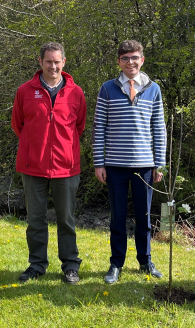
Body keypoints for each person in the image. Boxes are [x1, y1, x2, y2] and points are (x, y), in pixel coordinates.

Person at [11, 42, 87, 285]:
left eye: (57, 61)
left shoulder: (76, 92)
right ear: (40, 62)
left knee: (66, 219)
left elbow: (79, 126)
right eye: (48, 61)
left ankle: (70, 266)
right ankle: (37, 265)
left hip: (66, 166)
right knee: (35, 219)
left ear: (64, 62)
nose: (52, 66)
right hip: (33, 166)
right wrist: (36, 147)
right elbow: (18, 125)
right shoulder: (25, 91)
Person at [93, 39, 166, 284]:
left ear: (142, 60)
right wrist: (98, 163)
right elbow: (98, 127)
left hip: (145, 167)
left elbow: (159, 128)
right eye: (125, 58)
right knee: (117, 217)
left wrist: (160, 163)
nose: (130, 62)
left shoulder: (153, 89)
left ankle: (145, 261)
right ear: (119, 62)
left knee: (145, 218)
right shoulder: (107, 88)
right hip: (114, 166)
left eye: (134, 57)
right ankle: (116, 264)